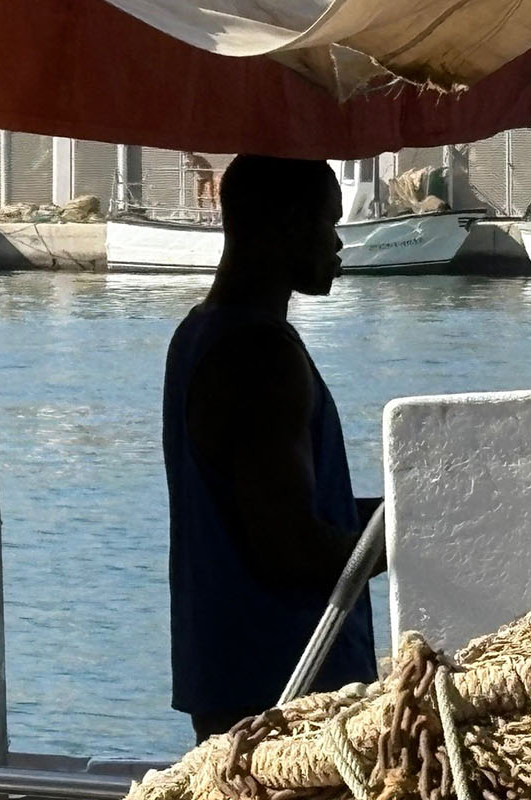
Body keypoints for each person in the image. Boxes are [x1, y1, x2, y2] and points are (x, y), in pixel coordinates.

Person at [162, 155, 380, 742]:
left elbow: (273, 507)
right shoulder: (260, 357)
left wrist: (399, 514)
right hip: (284, 693)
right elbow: (289, 546)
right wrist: (404, 543)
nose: (337, 244)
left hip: (229, 679)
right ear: (285, 224)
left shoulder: (198, 334)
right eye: (327, 223)